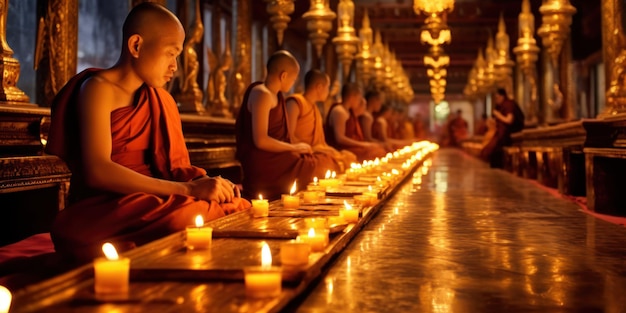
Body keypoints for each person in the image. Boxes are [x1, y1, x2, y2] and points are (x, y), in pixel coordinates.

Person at [45, 3, 249, 261]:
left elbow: (175, 166)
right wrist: (188, 191)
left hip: (155, 198)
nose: (176, 66)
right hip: (110, 205)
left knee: (234, 204)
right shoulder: (98, 89)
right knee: (183, 220)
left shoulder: (159, 99)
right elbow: (97, 171)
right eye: (170, 53)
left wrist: (207, 184)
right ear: (136, 46)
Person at [235, 50, 339, 200]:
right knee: (319, 165)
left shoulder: (276, 95)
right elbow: (260, 140)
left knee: (322, 160)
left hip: (278, 156)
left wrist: (296, 149)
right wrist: (294, 147)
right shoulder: (262, 94)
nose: (293, 83)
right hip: (265, 162)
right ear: (283, 76)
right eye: (293, 79)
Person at [285, 69, 357, 171]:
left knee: (348, 157)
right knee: (324, 163)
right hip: (300, 154)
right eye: (327, 87)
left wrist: (337, 153)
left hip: (315, 153)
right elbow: (288, 137)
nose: (328, 91)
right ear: (319, 87)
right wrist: (312, 149)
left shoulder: (315, 110)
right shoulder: (295, 103)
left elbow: (320, 144)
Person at [324, 83, 387, 162]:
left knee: (378, 150)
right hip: (341, 149)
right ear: (352, 97)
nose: (359, 102)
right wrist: (363, 144)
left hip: (350, 147)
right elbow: (340, 139)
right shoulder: (339, 111)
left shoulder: (349, 112)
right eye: (358, 98)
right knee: (375, 152)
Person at [480, 88, 516, 168]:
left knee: (494, 146)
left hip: (508, 132)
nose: (496, 100)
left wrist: (498, 115)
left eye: (497, 98)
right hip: (499, 131)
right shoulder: (499, 106)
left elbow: (509, 120)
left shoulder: (509, 105)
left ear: (502, 96)